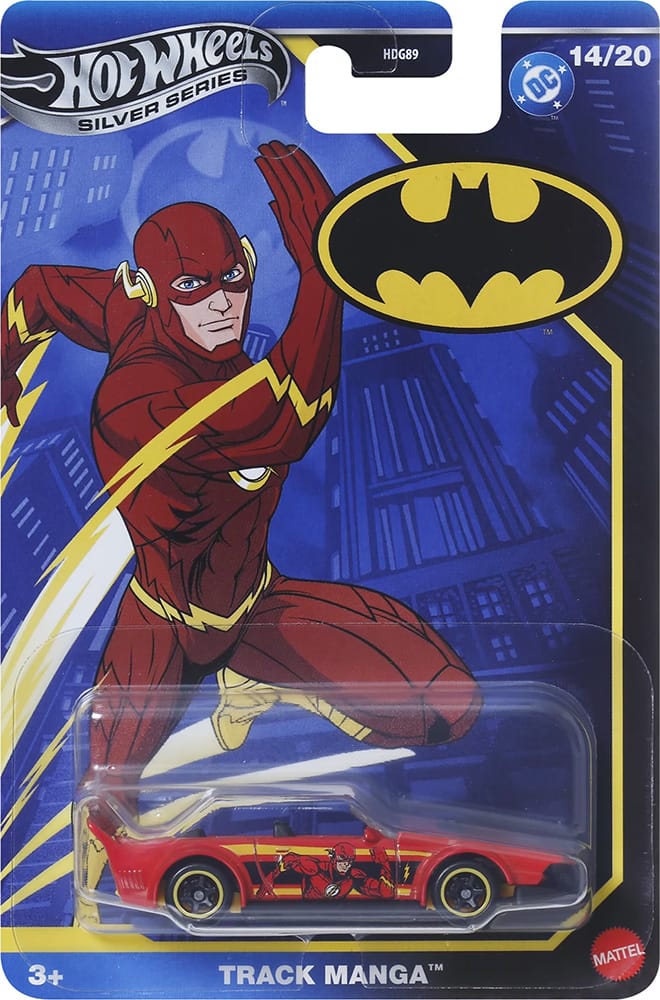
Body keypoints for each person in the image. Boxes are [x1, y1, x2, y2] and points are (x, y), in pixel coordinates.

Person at [2, 141, 481, 826]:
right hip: (162, 627)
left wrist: (6, 355)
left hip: (257, 604)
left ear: (250, 262)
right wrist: (320, 273)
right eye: (192, 289)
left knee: (448, 705)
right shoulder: (139, 399)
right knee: (105, 807)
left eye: (232, 277)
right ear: (149, 290)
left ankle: (255, 686)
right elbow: (291, 417)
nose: (221, 303)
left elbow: (39, 291)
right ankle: (229, 715)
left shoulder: (124, 306)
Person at [256, 840, 394, 901]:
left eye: (349, 861)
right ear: (334, 858)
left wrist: (384, 863)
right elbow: (291, 859)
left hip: (339, 919)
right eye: (342, 860)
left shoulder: (353, 876)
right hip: (305, 913)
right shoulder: (316, 868)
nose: (345, 865)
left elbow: (386, 893)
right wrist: (271, 878)